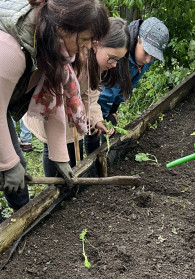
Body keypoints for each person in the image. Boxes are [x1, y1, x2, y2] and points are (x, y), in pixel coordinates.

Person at [0, 0, 109, 212]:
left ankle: (24, 219)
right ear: (62, 28)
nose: (88, 46)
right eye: (85, 39)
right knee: (10, 167)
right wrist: (8, 164)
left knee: (17, 166)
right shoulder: (11, 51)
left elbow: (54, 102)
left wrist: (60, 157)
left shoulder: (52, 49)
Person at [23, 17, 131, 177]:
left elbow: (91, 93)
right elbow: (55, 104)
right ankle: (55, 193)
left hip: (71, 113)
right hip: (50, 110)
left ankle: (71, 187)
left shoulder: (98, 63)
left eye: (118, 60)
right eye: (112, 58)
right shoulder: (74, 60)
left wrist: (96, 118)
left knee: (73, 152)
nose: (114, 64)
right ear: (97, 44)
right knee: (55, 149)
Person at [85, 17, 170, 152]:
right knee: (94, 130)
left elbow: (130, 84)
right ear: (138, 40)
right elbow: (109, 90)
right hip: (95, 95)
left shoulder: (146, 59)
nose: (148, 59)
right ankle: (91, 162)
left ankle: (104, 156)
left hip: (106, 97)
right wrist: (101, 115)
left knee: (109, 125)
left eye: (153, 56)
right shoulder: (119, 54)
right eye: (147, 53)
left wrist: (113, 109)